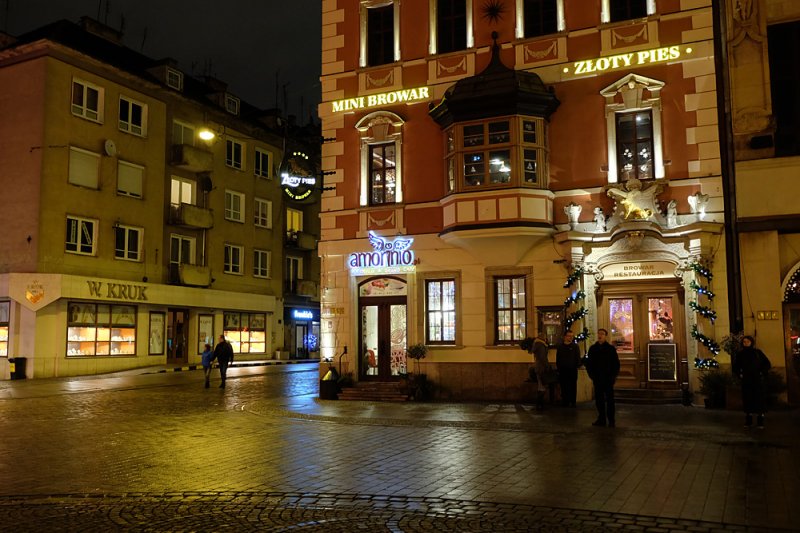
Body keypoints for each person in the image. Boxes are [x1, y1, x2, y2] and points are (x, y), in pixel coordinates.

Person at [732, 335, 771, 428]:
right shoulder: (740, 354)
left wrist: (762, 372)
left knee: (759, 399)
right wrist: (739, 374)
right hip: (746, 380)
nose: (746, 343)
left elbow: (766, 363)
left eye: (748, 342)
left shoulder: (757, 353)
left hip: (757, 380)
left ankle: (760, 420)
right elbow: (736, 366)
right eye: (744, 342)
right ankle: (748, 420)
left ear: (751, 342)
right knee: (748, 399)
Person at [585, 328, 620, 427]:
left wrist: (613, 376)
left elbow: (616, 364)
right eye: (599, 333)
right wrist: (592, 375)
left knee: (610, 400)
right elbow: (589, 364)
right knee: (599, 400)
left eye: (602, 334)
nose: (600, 335)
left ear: (606, 336)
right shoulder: (593, 349)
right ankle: (601, 419)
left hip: (608, 379)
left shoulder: (610, 349)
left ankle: (611, 420)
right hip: (597, 379)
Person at [556, 330, 582, 407]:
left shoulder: (575, 346)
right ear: (565, 337)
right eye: (569, 336)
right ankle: (565, 401)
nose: (570, 338)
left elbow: (577, 358)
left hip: (572, 370)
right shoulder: (560, 347)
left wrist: (576, 365)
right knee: (564, 386)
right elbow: (558, 358)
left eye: (572, 336)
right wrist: (559, 368)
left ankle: (573, 401)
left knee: (573, 386)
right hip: (563, 370)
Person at [532, 332, 550, 410]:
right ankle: (539, 404)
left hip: (538, 367)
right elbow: (543, 358)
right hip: (541, 368)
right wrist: (547, 366)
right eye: (545, 337)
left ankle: (539, 404)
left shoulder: (537, 344)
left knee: (540, 386)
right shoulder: (541, 345)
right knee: (542, 386)